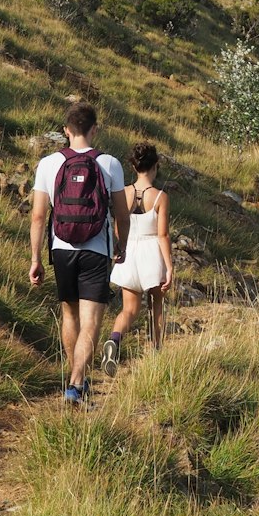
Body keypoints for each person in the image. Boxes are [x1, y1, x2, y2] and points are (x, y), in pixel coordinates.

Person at [30, 102, 129, 403]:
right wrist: (120, 245)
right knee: (91, 322)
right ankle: (76, 382)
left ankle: (75, 381)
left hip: (61, 249)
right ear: (94, 129)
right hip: (96, 251)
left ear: (66, 131)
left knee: (69, 315)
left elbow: (37, 217)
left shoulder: (48, 164)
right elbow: (122, 215)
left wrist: (35, 259)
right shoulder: (110, 164)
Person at [101, 142, 173, 375]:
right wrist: (170, 267)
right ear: (155, 166)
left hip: (129, 251)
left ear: (133, 166)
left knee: (129, 310)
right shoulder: (161, 197)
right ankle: (155, 353)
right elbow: (163, 234)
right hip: (153, 253)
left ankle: (114, 339)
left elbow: (118, 225)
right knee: (156, 307)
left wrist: (117, 250)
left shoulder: (124, 192)